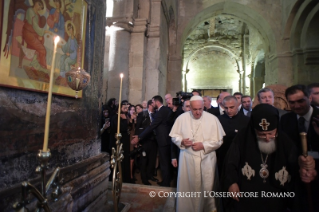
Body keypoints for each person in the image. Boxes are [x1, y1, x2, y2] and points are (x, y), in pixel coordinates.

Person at [223, 104, 299, 211]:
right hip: (248, 194)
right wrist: (232, 182)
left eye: (271, 133)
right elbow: (230, 163)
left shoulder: (285, 141)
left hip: (276, 195)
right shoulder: (242, 137)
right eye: (262, 134)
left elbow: (295, 167)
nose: (267, 138)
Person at [169, 96, 225, 212]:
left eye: (200, 109)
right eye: (195, 109)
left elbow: (219, 141)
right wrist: (182, 141)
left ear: (204, 106)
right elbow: (174, 136)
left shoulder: (212, 119)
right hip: (187, 159)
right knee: (188, 187)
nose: (198, 112)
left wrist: (204, 145)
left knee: (207, 189)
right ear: (190, 108)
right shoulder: (182, 118)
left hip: (207, 159)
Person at [280, 84, 319, 211]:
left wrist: (315, 171)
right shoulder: (285, 120)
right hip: (296, 178)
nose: (296, 106)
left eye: (301, 101)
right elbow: (283, 148)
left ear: (310, 98)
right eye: (292, 102)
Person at [131, 95, 172, 187]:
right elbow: (140, 127)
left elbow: (152, 126)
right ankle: (148, 178)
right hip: (152, 140)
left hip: (162, 140)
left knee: (163, 163)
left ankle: (165, 182)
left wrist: (139, 137)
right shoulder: (160, 111)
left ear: (157, 102)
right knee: (148, 161)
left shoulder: (161, 111)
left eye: (153, 102)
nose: (152, 103)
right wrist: (139, 137)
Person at [217, 96, 249, 176]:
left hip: (240, 155)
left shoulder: (246, 120)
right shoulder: (218, 120)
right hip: (222, 155)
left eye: (231, 107)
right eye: (226, 108)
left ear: (238, 105)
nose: (228, 110)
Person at [134, 100, 158, 185]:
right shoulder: (142, 114)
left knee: (152, 160)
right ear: (150, 105)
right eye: (154, 103)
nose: (155, 105)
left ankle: (150, 175)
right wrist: (138, 140)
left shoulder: (156, 115)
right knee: (144, 160)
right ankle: (144, 178)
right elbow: (138, 127)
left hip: (154, 141)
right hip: (144, 140)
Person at [21, 0, 48, 69]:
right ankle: (42, 65)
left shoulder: (38, 15)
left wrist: (40, 35)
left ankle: (35, 62)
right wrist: (43, 32)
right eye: (39, 4)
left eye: (41, 7)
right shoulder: (30, 11)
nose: (39, 7)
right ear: (35, 2)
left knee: (42, 39)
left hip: (33, 33)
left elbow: (37, 28)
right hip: (28, 33)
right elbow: (35, 26)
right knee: (42, 49)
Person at [110, 100, 131, 183]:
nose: (126, 109)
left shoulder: (125, 116)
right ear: (119, 108)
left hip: (125, 142)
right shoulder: (115, 117)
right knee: (119, 161)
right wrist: (125, 120)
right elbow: (121, 129)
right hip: (118, 143)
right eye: (124, 107)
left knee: (125, 160)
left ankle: (126, 178)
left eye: (127, 108)